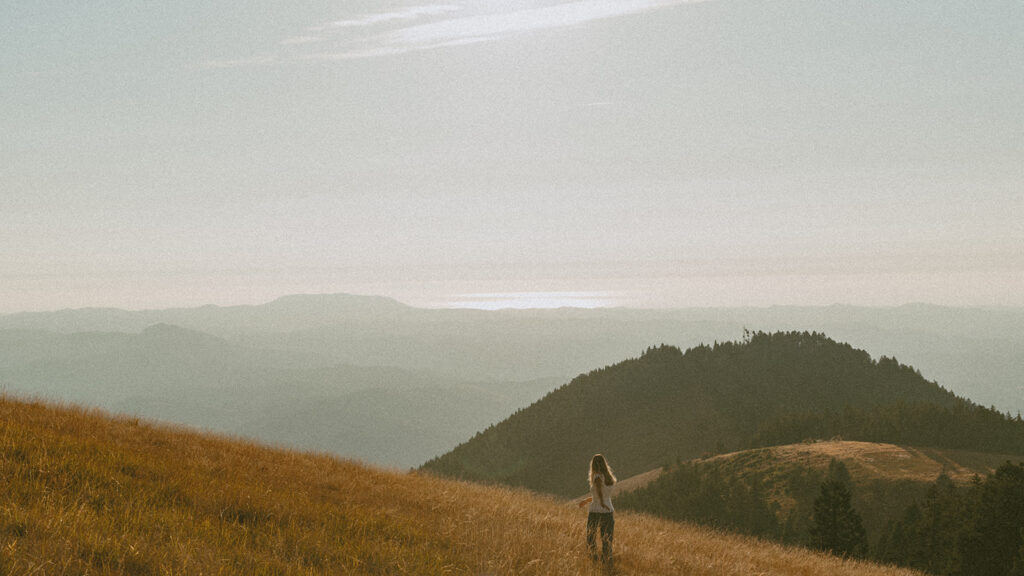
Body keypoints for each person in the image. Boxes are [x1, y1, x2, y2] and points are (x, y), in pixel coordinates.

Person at [577, 453, 617, 563]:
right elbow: (601, 495)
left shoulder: (597, 477)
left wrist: (602, 503)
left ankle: (593, 560)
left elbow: (599, 492)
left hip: (596, 511)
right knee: (607, 539)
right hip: (609, 511)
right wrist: (586, 501)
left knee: (591, 537)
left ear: (593, 465)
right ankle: (607, 562)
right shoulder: (609, 478)